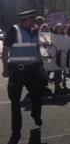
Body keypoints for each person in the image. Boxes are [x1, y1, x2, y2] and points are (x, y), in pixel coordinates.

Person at [1, 10, 43, 144]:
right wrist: (5, 69)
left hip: (33, 70)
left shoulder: (35, 31)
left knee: (37, 95)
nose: (34, 22)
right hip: (17, 71)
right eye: (32, 20)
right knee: (15, 101)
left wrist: (41, 64)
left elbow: (37, 49)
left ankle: (35, 114)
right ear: (25, 20)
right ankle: (16, 130)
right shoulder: (14, 30)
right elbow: (5, 50)